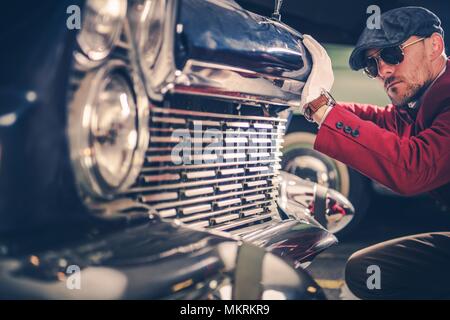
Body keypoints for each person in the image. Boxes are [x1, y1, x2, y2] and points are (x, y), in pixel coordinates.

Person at [300, 7, 450, 299]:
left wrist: (323, 110)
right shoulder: (422, 103)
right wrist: (312, 103)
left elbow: (414, 167)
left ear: (435, 46)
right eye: (373, 65)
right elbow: (377, 120)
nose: (383, 71)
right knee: (364, 270)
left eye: (392, 54)